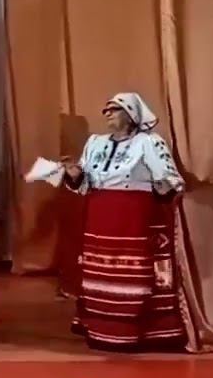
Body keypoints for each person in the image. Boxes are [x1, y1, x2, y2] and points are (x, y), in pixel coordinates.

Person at [61, 93, 187, 352]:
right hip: (100, 213)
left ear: (131, 115)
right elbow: (85, 183)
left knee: (131, 270)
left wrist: (161, 185)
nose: (107, 113)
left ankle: (133, 331)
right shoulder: (95, 143)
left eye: (115, 109)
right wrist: (74, 174)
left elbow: (170, 181)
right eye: (106, 109)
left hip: (133, 214)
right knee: (100, 268)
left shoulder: (148, 142)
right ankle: (100, 326)